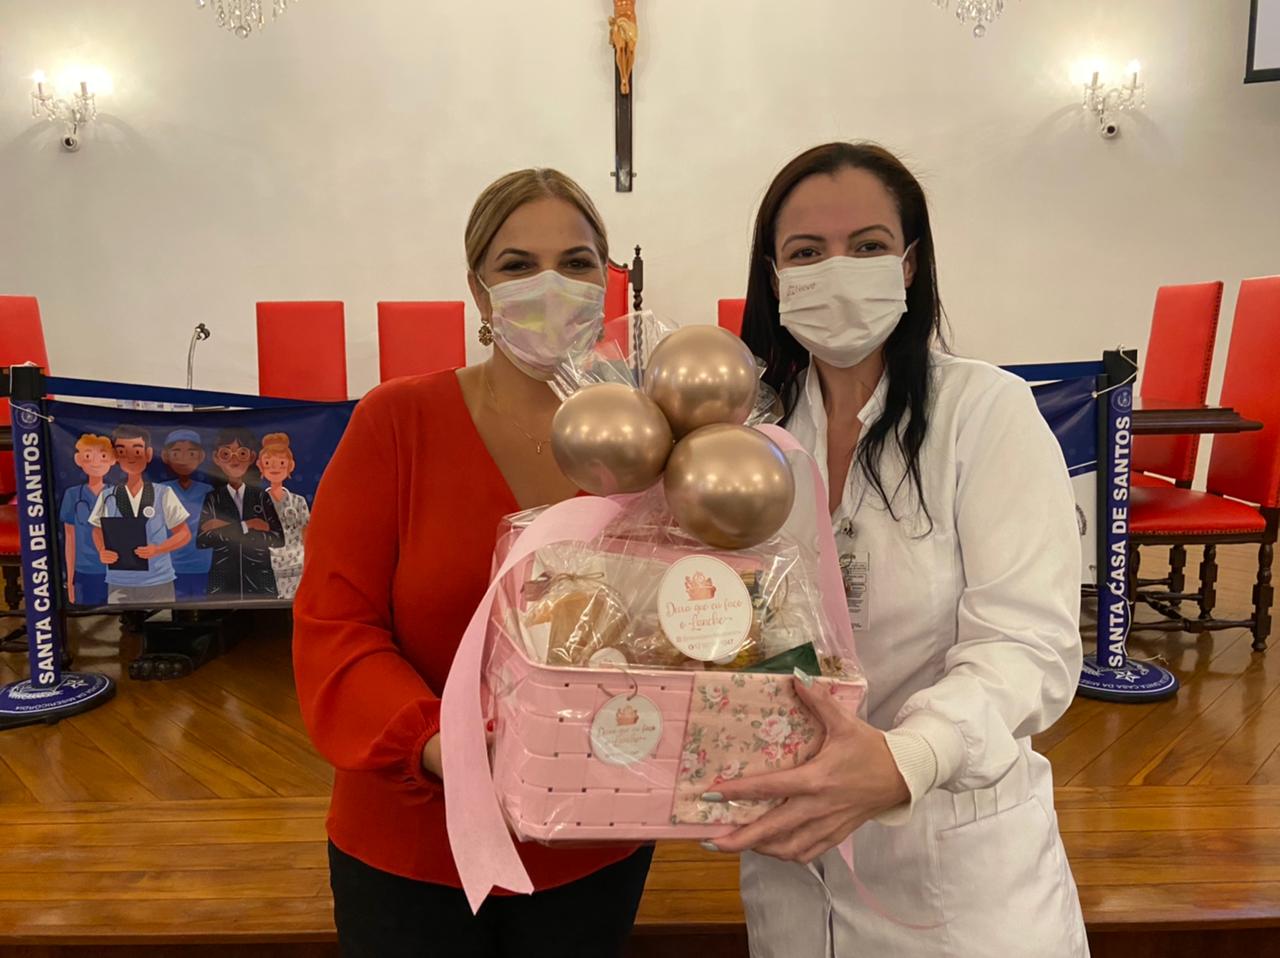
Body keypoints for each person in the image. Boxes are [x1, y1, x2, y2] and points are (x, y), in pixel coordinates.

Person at [708, 142, 1088, 957]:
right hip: (792, 868)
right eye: (807, 252)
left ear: (909, 265)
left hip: (955, 873)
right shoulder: (749, 438)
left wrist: (911, 756)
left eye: (868, 246)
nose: (837, 270)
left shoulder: (984, 414)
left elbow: (1030, 644)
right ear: (775, 279)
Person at [293, 168, 653, 958]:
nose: (550, 285)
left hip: (591, 834)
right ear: (478, 291)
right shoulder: (397, 422)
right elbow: (335, 628)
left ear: (606, 283)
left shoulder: (647, 441)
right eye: (518, 265)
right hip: (415, 838)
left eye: (576, 262)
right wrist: (446, 746)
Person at [89, 425, 191, 606]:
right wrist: (102, 550)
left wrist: (158, 549)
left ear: (148, 454)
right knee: (123, 622)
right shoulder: (108, 496)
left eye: (137, 451)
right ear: (116, 456)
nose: (130, 458)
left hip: (158, 579)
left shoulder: (163, 493)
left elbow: (184, 534)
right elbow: (97, 530)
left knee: (160, 620)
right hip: (120, 580)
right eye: (122, 452)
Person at [198, 429, 284, 599]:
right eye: (226, 454)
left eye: (242, 453)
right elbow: (203, 540)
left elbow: (278, 538)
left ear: (251, 457)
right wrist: (248, 525)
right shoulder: (213, 498)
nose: (234, 459)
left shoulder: (261, 497)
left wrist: (224, 527)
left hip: (260, 579)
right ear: (216, 458)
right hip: (223, 581)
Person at [59, 434, 115, 607]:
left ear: (113, 460)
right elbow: (70, 539)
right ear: (78, 460)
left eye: (103, 456)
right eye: (88, 456)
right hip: (84, 570)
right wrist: (70, 580)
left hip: (114, 570)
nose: (96, 463)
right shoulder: (73, 495)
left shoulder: (117, 494)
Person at [159, 429, 214, 601]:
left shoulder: (208, 491)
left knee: (203, 605)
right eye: (176, 453)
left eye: (191, 453)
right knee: (175, 605)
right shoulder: (161, 491)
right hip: (171, 565)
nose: (183, 459)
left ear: (201, 456)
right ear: (166, 456)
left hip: (203, 564)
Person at [257, 432, 310, 601]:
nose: (275, 468)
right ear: (260, 466)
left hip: (297, 566)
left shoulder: (298, 501)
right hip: (267, 567)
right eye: (268, 463)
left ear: (290, 466)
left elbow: (307, 533)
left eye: (281, 463)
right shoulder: (256, 502)